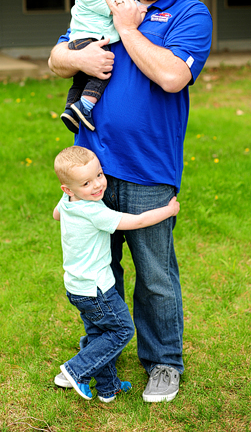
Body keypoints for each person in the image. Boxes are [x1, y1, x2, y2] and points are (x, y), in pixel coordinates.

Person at [48, 0, 213, 403]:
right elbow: (57, 58)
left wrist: (126, 29)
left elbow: (171, 77)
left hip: (148, 168)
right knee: (101, 272)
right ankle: (101, 355)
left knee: (155, 277)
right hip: (91, 169)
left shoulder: (189, 13)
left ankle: (164, 363)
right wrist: (77, 61)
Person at [53, 146, 180, 402]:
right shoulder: (95, 211)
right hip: (97, 290)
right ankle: (76, 369)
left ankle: (108, 387)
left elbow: (56, 215)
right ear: (68, 189)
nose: (98, 185)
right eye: (86, 183)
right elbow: (137, 222)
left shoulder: (68, 202)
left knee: (100, 333)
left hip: (76, 288)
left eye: (99, 175)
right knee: (121, 331)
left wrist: (79, 193)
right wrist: (168, 211)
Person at [60, 0, 138, 135]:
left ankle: (71, 109)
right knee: (102, 71)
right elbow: (113, 9)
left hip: (77, 42)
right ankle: (85, 106)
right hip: (91, 42)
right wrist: (135, 7)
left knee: (79, 81)